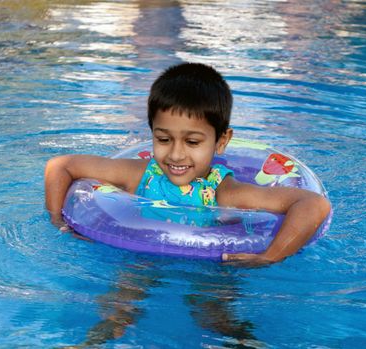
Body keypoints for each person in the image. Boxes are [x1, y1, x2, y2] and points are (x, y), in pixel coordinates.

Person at [44, 62, 331, 266]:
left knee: (216, 316)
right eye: (164, 139)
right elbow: (60, 165)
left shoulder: (224, 192)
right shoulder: (139, 174)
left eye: (193, 142)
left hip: (210, 268)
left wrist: (271, 256)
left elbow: (314, 205)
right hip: (139, 257)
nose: (176, 155)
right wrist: (58, 221)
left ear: (221, 141)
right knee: (119, 307)